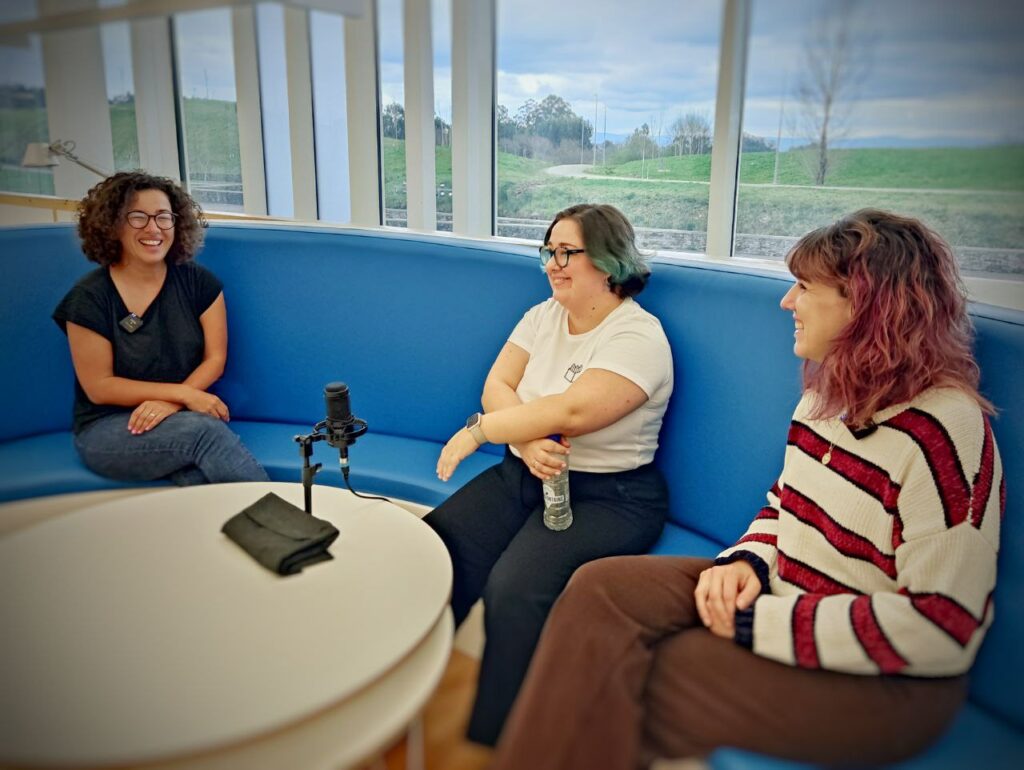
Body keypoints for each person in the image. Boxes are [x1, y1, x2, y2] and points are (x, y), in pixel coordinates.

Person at [491, 209, 1005, 769]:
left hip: (888, 686)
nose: (787, 303)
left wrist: (753, 622)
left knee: (640, 671)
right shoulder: (826, 397)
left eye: (805, 288)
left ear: (865, 303)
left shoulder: (944, 432)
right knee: (598, 589)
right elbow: (785, 506)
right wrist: (746, 564)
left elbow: (940, 626)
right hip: (784, 589)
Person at [430, 203, 674, 746]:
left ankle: (503, 740)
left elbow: (573, 411)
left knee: (514, 590)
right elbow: (498, 383)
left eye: (568, 252)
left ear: (609, 262)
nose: (553, 264)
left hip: (609, 496)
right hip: (523, 472)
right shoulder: (543, 315)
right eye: (549, 252)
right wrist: (520, 438)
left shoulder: (638, 338)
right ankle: (405, 685)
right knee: (434, 547)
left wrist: (479, 432)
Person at [52, 171, 268, 486]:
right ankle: (286, 527)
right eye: (138, 217)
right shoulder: (89, 297)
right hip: (107, 429)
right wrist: (181, 394)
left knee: (197, 476)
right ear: (112, 225)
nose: (153, 229)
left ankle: (241, 531)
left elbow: (214, 359)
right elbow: (100, 387)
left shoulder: (199, 283)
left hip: (178, 417)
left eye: (163, 217)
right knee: (204, 434)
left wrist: (172, 403)